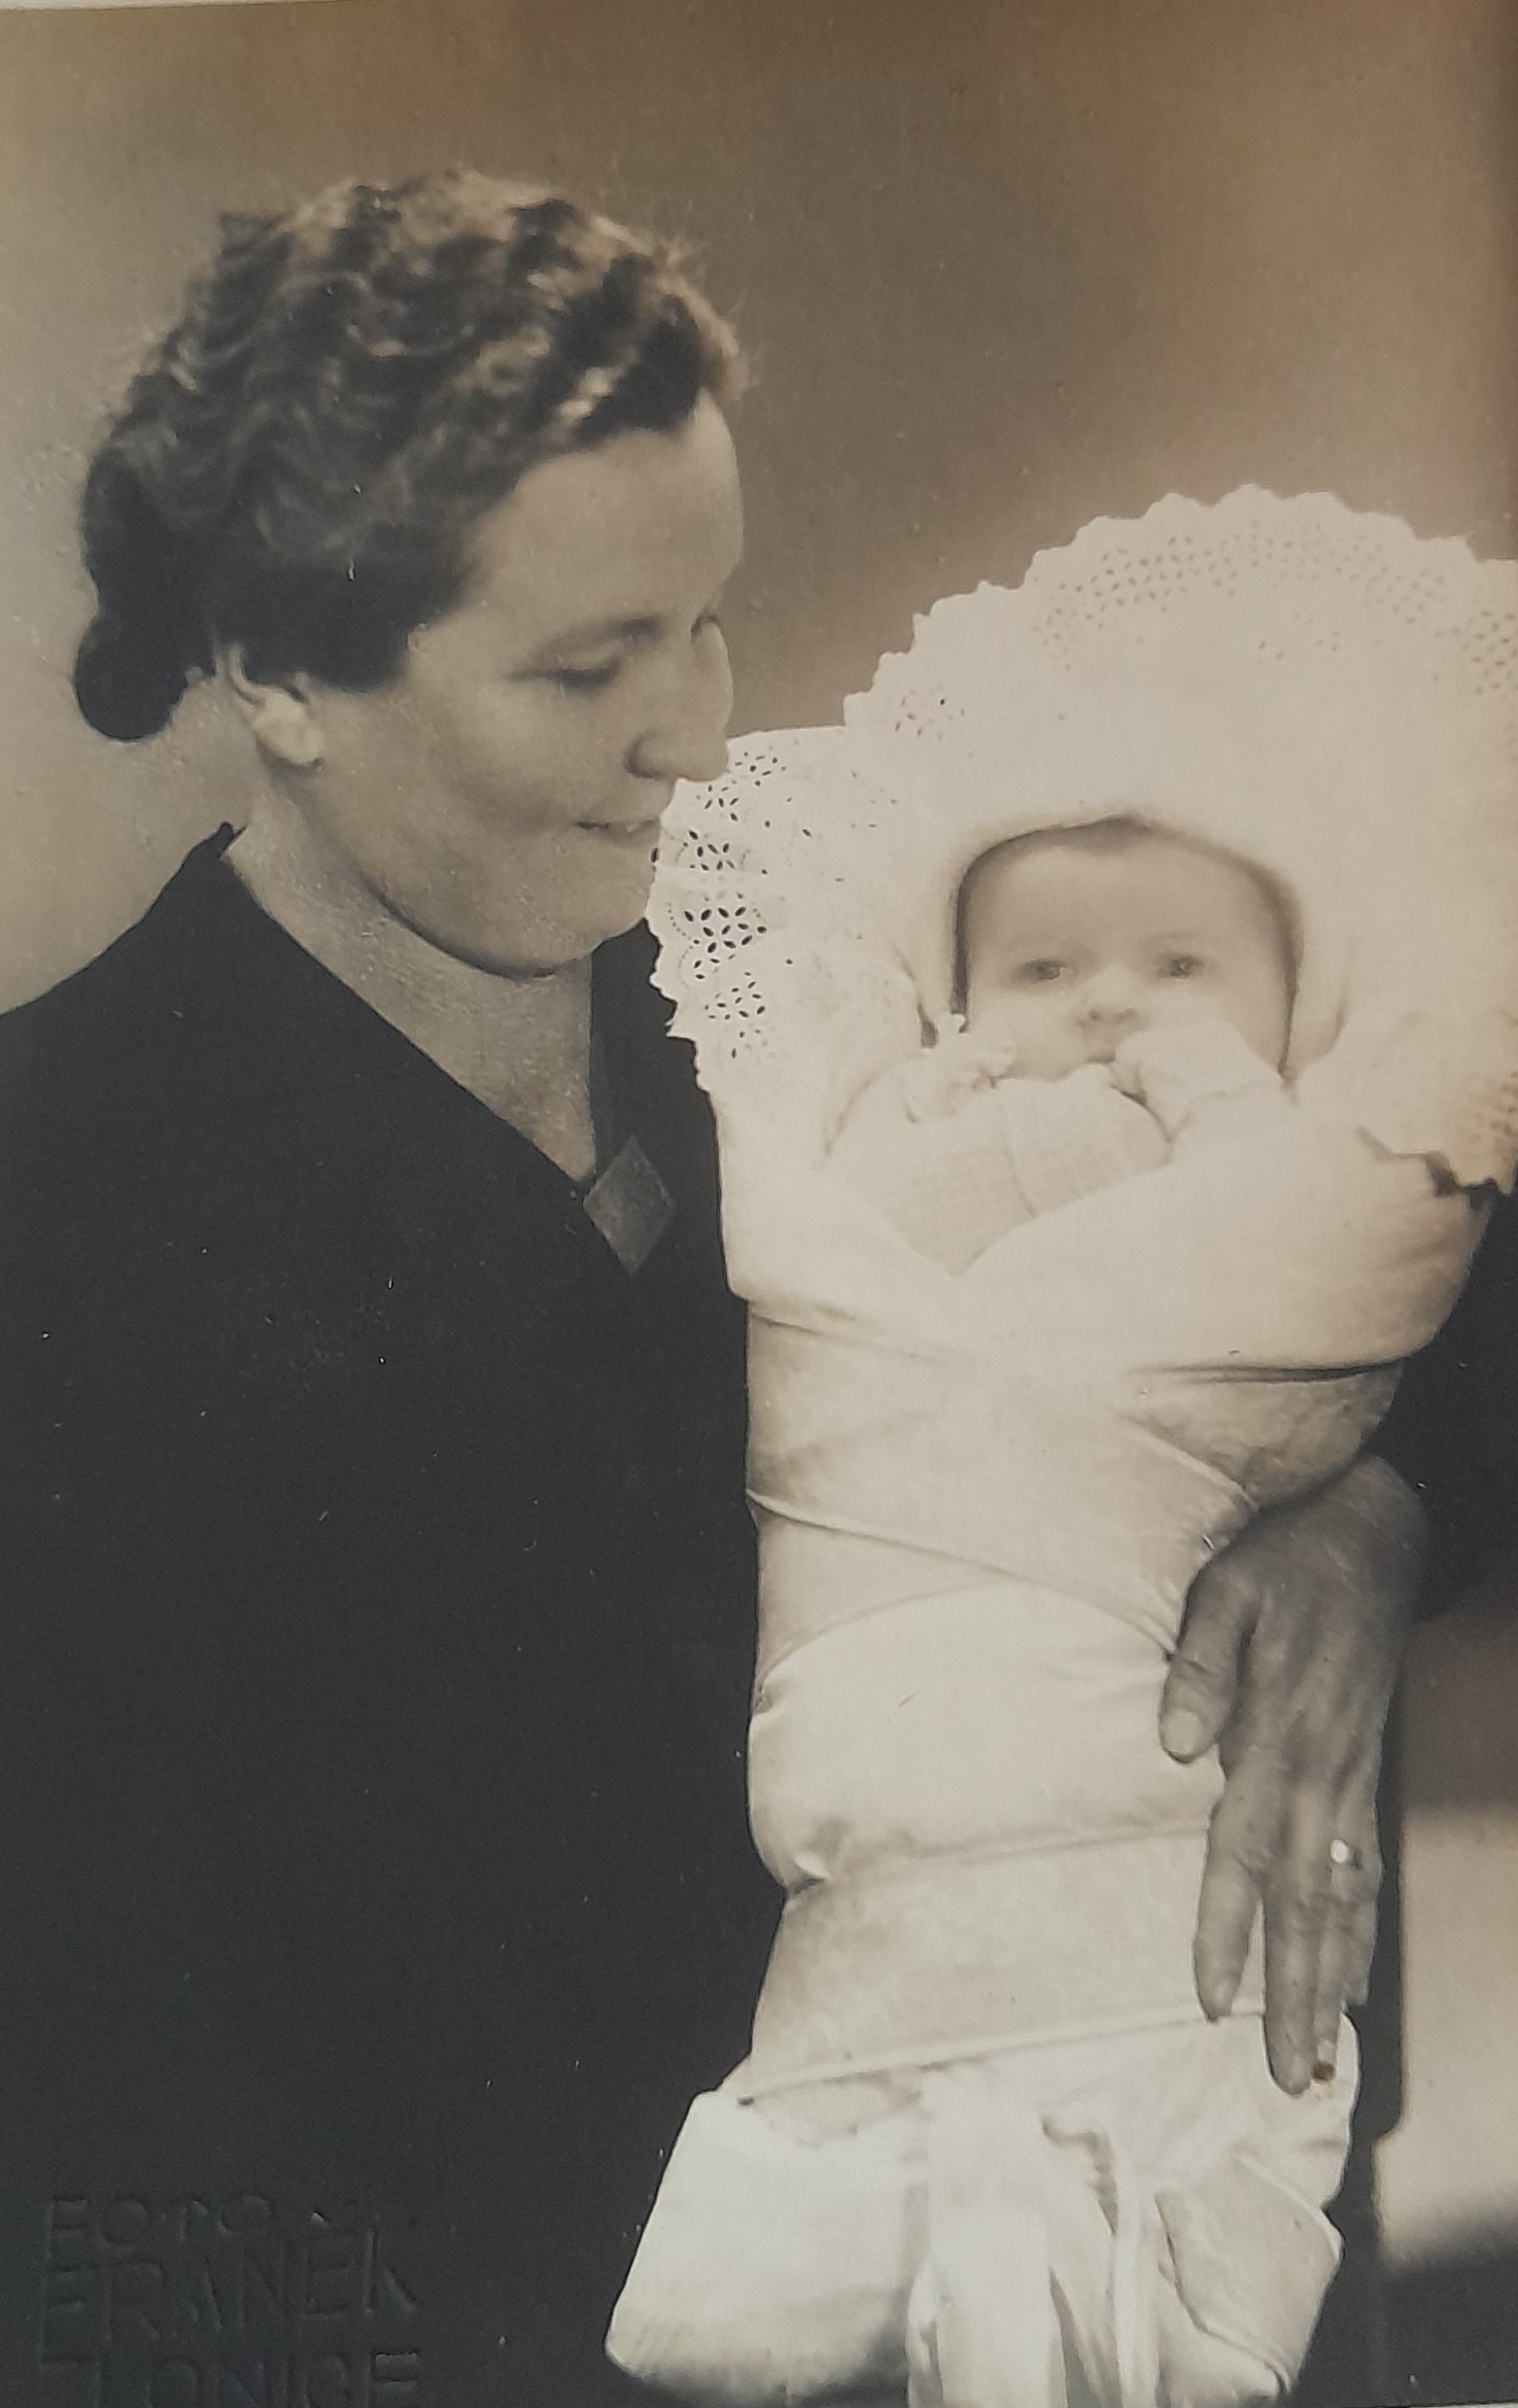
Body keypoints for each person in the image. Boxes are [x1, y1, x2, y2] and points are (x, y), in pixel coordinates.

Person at [0, 172, 1470, 2406]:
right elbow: (113, 2175)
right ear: (282, 673)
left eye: (708, 623)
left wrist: (1372, 1513)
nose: (696, 733)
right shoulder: (61, 1199)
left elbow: (1406, 1170)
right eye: (587, 667)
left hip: (1184, 2244)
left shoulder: (794, 988)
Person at [606, 496, 1518, 2406]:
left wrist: (1205, 1095)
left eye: (1180, 967)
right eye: (1038, 971)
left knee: (1200, 2069)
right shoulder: (903, 1104)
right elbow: (849, 1229)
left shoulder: (1279, 1146)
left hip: (1165, 1710)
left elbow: (1306, 1231)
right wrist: (953, 1089)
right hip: (894, 1668)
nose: (1107, 1000)